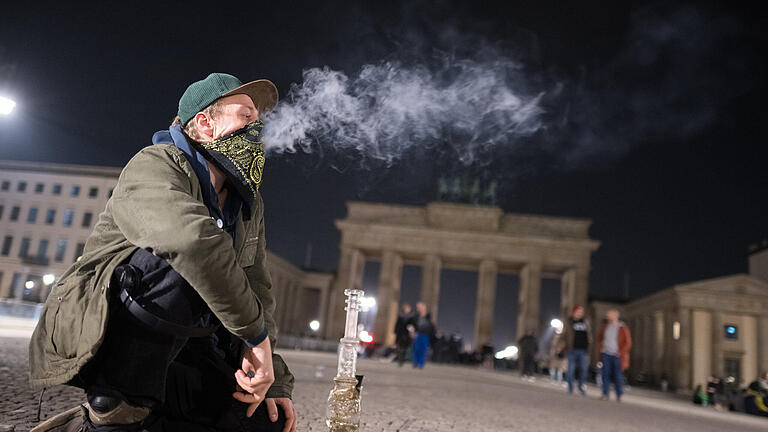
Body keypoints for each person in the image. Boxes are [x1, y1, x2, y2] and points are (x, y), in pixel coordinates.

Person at [29, 73, 297, 432]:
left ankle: (141, 417)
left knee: (262, 421)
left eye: (259, 119)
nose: (258, 128)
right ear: (204, 123)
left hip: (186, 344)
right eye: (246, 116)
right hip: (107, 331)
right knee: (181, 256)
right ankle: (114, 406)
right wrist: (255, 337)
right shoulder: (156, 164)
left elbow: (257, 286)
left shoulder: (249, 203)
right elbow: (191, 243)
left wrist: (273, 375)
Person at [597, 309, 632, 402]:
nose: (607, 316)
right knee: (605, 375)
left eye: (609, 315)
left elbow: (628, 342)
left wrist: (621, 352)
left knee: (618, 376)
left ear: (615, 316)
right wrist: (601, 347)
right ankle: (605, 394)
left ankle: (619, 395)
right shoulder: (605, 326)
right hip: (606, 354)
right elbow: (599, 337)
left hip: (617, 356)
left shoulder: (622, 328)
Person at [561, 305, 591, 395]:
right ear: (574, 312)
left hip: (583, 350)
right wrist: (560, 346)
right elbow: (563, 335)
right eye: (578, 311)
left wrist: (589, 346)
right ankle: (570, 388)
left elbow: (589, 335)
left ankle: (581, 386)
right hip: (571, 350)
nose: (580, 313)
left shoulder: (586, 322)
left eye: (581, 311)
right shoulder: (568, 321)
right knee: (570, 370)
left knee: (584, 370)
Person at [412, 302, 435, 369]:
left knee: (423, 349)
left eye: (419, 307)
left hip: (425, 335)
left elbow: (431, 326)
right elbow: (412, 325)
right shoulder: (416, 316)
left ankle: (421, 364)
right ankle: (415, 363)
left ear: (424, 307)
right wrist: (412, 332)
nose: (418, 308)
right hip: (417, 334)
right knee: (416, 349)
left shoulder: (428, 316)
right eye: (417, 307)